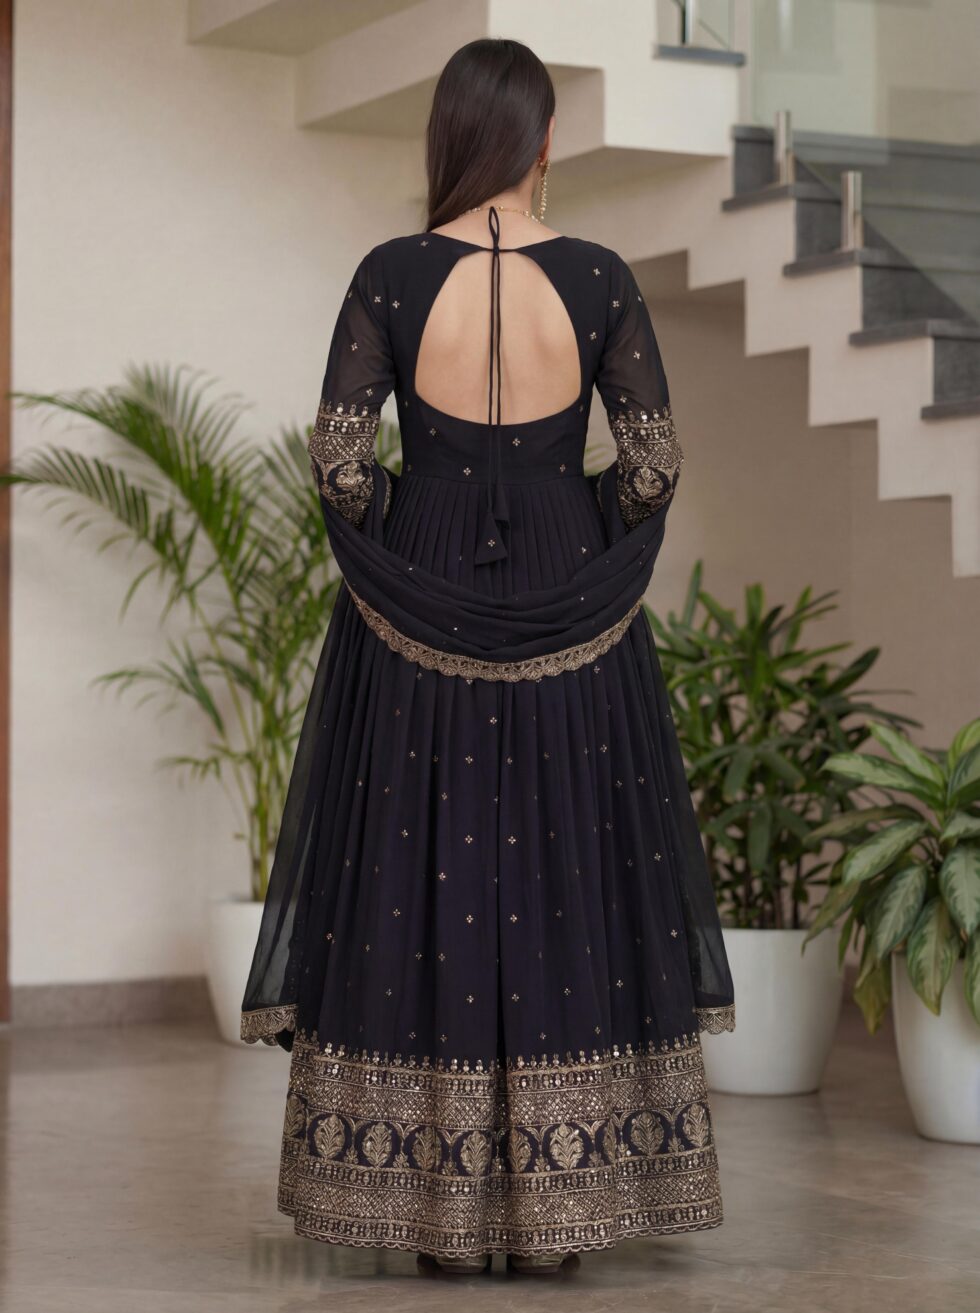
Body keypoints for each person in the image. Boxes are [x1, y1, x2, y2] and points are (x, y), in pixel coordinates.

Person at [241, 36, 734, 1277]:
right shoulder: (600, 276)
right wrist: (583, 527)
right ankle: (563, 1213)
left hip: (418, 592)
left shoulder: (390, 274)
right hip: (574, 590)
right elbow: (654, 464)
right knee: (567, 860)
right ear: (544, 140)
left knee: (420, 859)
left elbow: (339, 461)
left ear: (449, 136)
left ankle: (434, 1219)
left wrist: (409, 524)